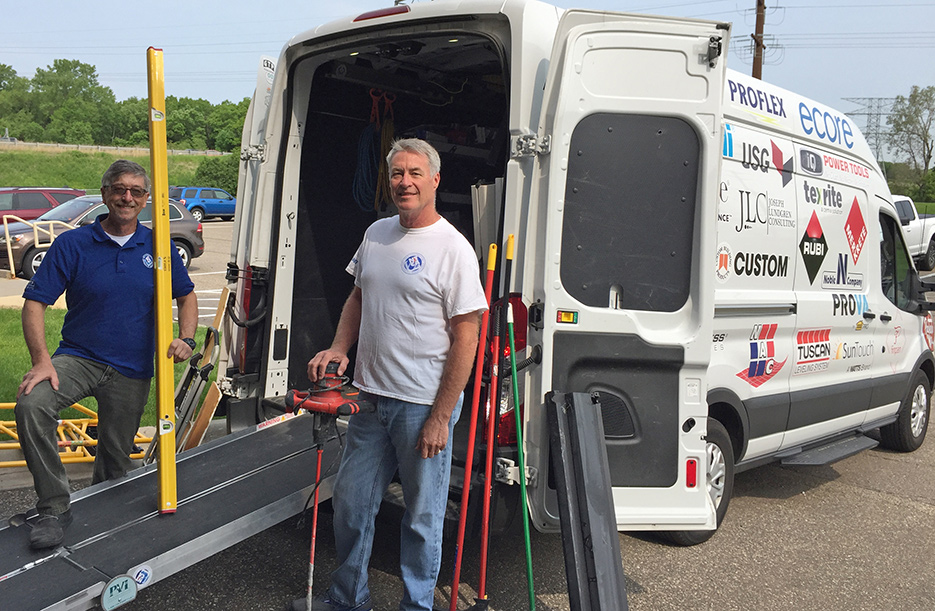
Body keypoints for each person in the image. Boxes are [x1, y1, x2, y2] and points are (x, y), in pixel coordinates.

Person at [302, 139, 487, 611]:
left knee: (422, 518)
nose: (405, 182)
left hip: (423, 403)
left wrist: (442, 415)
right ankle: (348, 598)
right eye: (398, 173)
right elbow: (359, 297)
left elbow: (468, 335)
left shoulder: (453, 249)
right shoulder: (377, 234)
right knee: (350, 503)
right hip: (370, 397)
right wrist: (340, 347)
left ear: (435, 180)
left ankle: (417, 605)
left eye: (415, 173)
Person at [14, 159, 198, 550]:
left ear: (146, 199)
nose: (127, 197)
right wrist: (42, 362)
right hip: (78, 358)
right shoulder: (73, 244)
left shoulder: (157, 245)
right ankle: (53, 507)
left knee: (116, 460)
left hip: (131, 368)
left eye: (136, 191)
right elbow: (34, 303)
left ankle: (104, 522)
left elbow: (186, 295)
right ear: (104, 195)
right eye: (119, 189)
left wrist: (187, 339)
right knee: (33, 404)